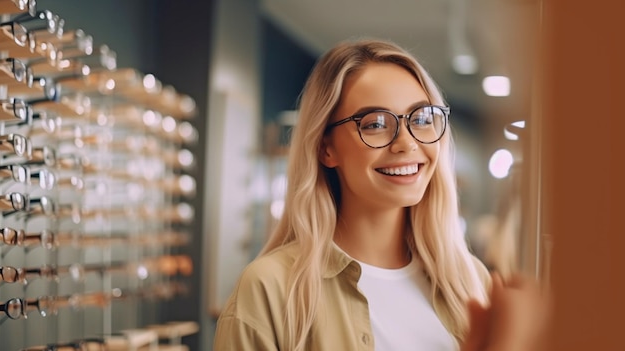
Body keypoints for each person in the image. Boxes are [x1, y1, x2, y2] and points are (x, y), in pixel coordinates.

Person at [213, 38, 549, 351]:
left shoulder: (470, 279)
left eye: (421, 118)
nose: (407, 143)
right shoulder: (269, 291)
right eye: (374, 123)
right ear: (325, 148)